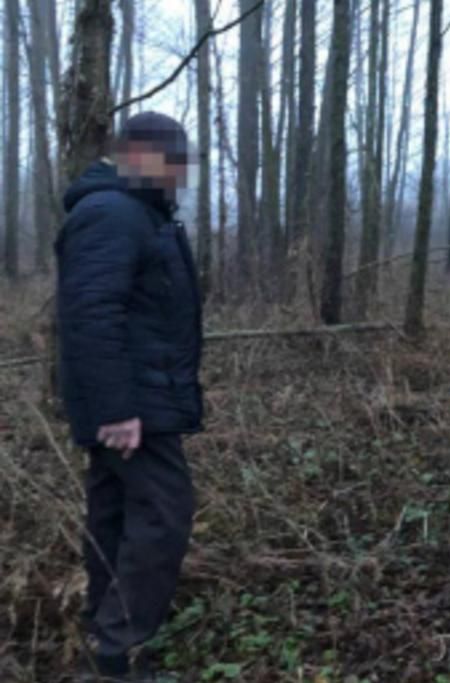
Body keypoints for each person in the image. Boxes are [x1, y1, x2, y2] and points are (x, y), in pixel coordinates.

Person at [56, 112, 203, 681]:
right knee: (165, 515)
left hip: (143, 396)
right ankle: (122, 642)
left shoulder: (133, 212)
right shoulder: (113, 214)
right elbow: (91, 315)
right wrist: (116, 409)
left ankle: (109, 645)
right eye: (174, 165)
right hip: (134, 403)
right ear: (141, 155)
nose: (179, 179)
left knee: (116, 514)